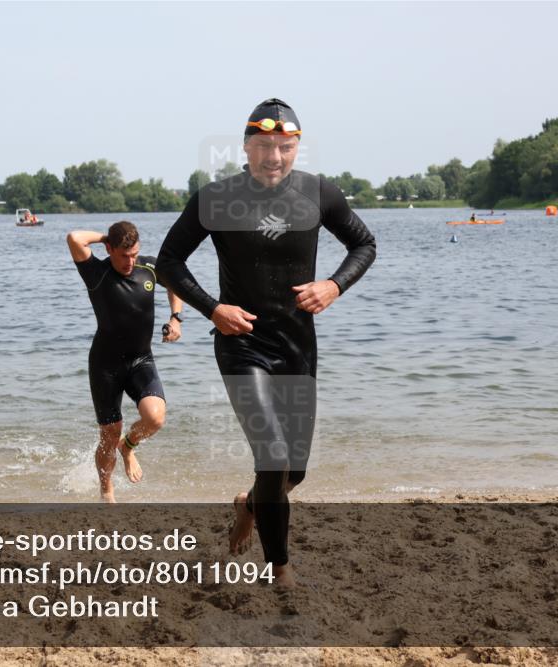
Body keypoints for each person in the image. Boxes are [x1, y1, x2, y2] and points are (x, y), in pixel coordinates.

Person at [157, 98, 376, 587]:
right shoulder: (215, 198)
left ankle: (251, 504)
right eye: (262, 147)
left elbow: (365, 244)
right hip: (242, 343)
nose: (273, 157)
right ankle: (280, 567)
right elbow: (168, 261)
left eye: (285, 147)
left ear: (297, 148)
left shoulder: (320, 194)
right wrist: (212, 308)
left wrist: (333, 285)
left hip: (298, 345)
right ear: (245, 147)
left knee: (292, 472)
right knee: (272, 457)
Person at [67, 221, 184, 502]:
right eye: (123, 255)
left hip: (141, 359)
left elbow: (176, 283)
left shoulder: (149, 267)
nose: (130, 262)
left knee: (155, 417)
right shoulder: (96, 271)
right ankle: (107, 492)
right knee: (109, 434)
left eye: (134, 254)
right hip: (105, 365)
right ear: (109, 249)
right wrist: (107, 236)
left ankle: (129, 447)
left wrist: (175, 317)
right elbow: (74, 237)